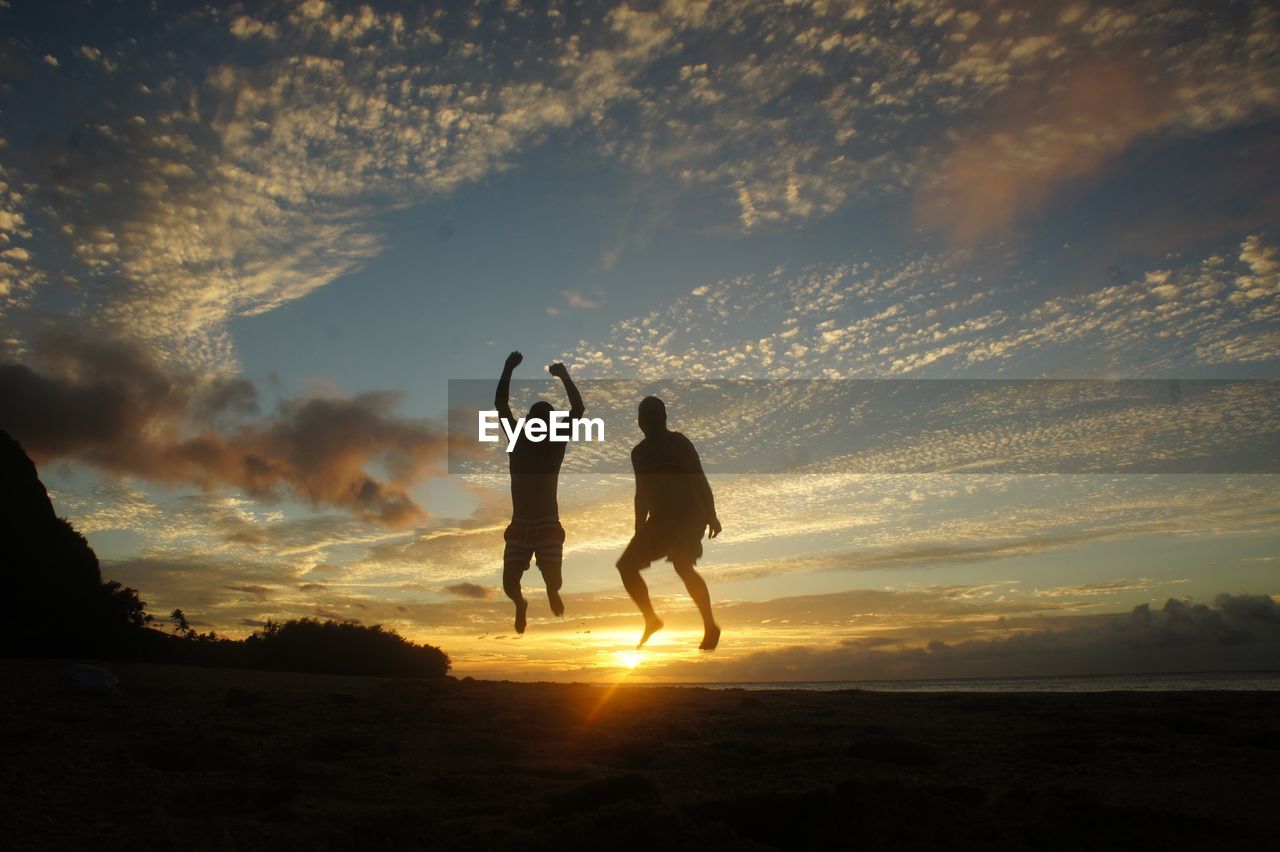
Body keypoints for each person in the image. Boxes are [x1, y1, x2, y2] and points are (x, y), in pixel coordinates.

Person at [616, 396, 722, 651]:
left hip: (689, 516)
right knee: (626, 566)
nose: (650, 421)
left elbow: (699, 479)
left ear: (664, 417)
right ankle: (651, 620)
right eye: (645, 417)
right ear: (640, 423)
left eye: (655, 415)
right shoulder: (638, 454)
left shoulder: (678, 444)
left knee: (682, 563)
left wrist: (711, 513)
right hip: (659, 521)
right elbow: (641, 493)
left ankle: (710, 625)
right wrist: (638, 529)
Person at [495, 351, 584, 634]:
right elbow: (500, 404)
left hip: (547, 522)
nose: (541, 422)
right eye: (537, 417)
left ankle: (551, 591)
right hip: (520, 523)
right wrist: (508, 367)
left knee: (554, 580)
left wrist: (564, 376)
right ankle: (520, 604)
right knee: (509, 583)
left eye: (546, 418)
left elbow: (578, 411)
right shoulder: (518, 439)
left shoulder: (555, 442)